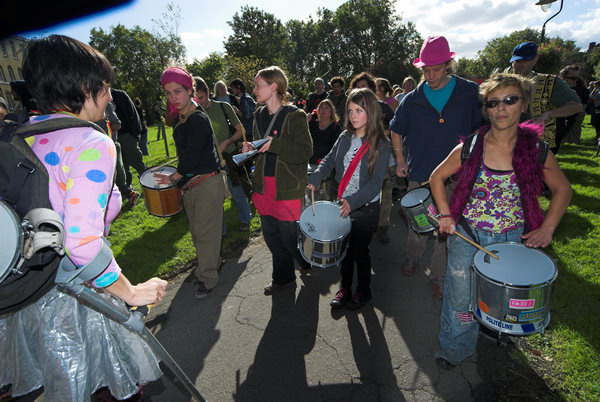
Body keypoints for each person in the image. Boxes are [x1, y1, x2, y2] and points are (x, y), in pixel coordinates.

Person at [0, 34, 167, 401]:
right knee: (113, 389)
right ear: (83, 87)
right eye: (105, 87)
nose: (109, 96)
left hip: (25, 295)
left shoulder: (20, 136)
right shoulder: (89, 143)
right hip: (78, 298)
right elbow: (82, 243)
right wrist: (132, 292)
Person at [429, 72, 572, 369]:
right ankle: (455, 348)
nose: (501, 108)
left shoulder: (536, 150)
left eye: (510, 100)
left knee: (499, 302)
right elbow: (437, 177)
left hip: (511, 238)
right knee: (459, 298)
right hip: (467, 234)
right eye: (493, 103)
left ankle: (498, 335)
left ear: (524, 104)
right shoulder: (471, 145)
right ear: (487, 108)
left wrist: (547, 227)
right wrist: (445, 213)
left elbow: (563, 189)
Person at [391, 36, 482, 298]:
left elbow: (483, 129)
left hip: (457, 176)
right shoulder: (411, 99)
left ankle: (438, 273)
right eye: (426, 70)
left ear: (448, 64)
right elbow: (396, 131)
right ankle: (412, 256)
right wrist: (399, 159)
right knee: (419, 224)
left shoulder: (469, 93)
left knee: (447, 227)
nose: (431, 75)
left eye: (437, 69)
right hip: (420, 175)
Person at [308, 88, 391, 309]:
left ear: (371, 112)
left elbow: (376, 184)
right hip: (342, 201)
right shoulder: (344, 136)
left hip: (365, 207)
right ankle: (345, 288)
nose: (353, 115)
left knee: (360, 251)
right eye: (350, 110)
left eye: (359, 110)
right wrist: (316, 177)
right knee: (344, 249)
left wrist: (353, 201)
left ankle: (363, 290)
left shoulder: (381, 144)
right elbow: (329, 160)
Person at [242, 66, 312, 295]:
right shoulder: (259, 116)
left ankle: (304, 258)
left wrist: (277, 145)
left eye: (257, 85)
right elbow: (260, 147)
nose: (254, 90)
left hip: (287, 186)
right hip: (264, 186)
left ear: (273, 86)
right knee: (272, 237)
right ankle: (283, 278)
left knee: (289, 237)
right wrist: (249, 148)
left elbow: (304, 151)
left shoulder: (295, 116)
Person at [158, 67, 226, 300]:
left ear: (190, 90)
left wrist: (174, 177)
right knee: (199, 233)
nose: (173, 97)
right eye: (168, 93)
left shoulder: (196, 118)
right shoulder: (184, 115)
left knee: (205, 233)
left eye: (177, 91)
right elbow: (187, 153)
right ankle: (213, 263)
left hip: (206, 184)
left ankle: (208, 278)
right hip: (194, 184)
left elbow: (192, 155)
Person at [195, 76, 252, 232]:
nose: (198, 101)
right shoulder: (194, 113)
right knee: (214, 200)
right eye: (195, 98)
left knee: (237, 193)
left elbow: (241, 131)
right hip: (209, 163)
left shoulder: (223, 107)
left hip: (229, 157)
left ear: (207, 93)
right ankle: (221, 230)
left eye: (201, 97)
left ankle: (245, 220)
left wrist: (226, 142)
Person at [508, 41, 583, 153]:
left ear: (535, 59)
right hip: (507, 140)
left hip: (538, 144)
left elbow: (576, 106)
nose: (519, 64)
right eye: (517, 61)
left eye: (525, 60)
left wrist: (550, 114)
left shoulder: (551, 82)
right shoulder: (502, 81)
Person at [349, 71, 397, 243]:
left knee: (384, 192)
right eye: (357, 87)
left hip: (381, 157)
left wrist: (378, 136)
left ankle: (382, 226)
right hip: (358, 159)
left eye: (364, 87)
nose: (361, 90)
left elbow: (394, 127)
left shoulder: (382, 107)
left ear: (372, 89)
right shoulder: (352, 109)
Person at [111, 88, 147, 195]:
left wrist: (134, 134)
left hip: (126, 134)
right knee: (122, 167)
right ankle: (128, 191)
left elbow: (133, 113)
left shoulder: (120, 95)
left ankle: (148, 185)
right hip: (112, 138)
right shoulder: (95, 96)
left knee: (137, 161)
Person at [308, 99, 342, 200]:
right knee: (311, 195)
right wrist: (306, 122)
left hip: (328, 166)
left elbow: (338, 149)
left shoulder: (336, 127)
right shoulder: (312, 124)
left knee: (326, 195)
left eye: (326, 108)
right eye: (321, 108)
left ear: (331, 111)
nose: (323, 110)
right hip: (311, 163)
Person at [556, 65, 589, 147]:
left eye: (577, 78)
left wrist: (581, 110)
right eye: (573, 78)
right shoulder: (555, 87)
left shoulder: (578, 86)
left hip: (576, 112)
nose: (575, 81)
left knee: (575, 127)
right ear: (563, 77)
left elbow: (585, 98)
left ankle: (574, 142)